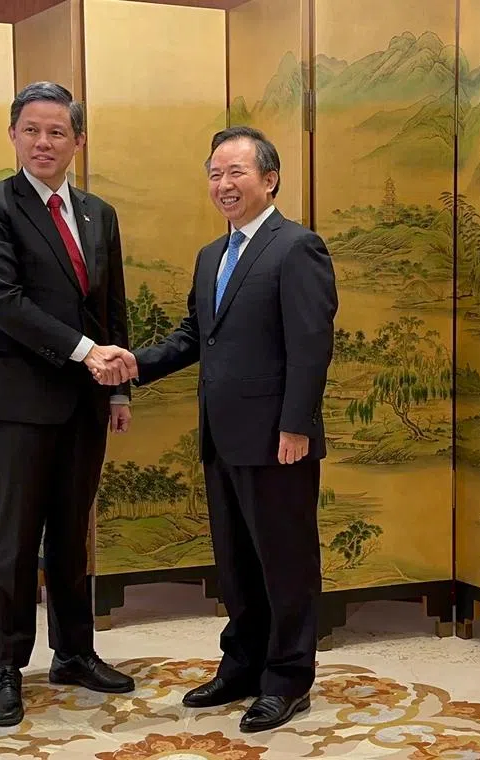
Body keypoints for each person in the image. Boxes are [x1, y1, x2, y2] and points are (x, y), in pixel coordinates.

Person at [96, 126, 337, 732]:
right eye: (214, 174)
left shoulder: (296, 247)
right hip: (223, 437)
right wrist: (134, 362)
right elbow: (192, 336)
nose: (223, 185)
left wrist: (297, 425)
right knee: (235, 563)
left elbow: (311, 347)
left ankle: (286, 680)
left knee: (285, 563)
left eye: (236, 172)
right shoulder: (212, 255)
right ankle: (242, 666)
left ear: (269, 179)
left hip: (279, 440)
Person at [0, 81, 140, 728]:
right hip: (18, 401)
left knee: (71, 537)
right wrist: (86, 352)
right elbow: (4, 302)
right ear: (13, 135)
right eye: (32, 130)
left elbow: (110, 304)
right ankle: (7, 668)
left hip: (86, 403)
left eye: (57, 132)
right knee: (14, 542)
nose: (44, 142)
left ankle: (74, 652)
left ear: (77, 142)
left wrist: (116, 384)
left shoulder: (99, 212)